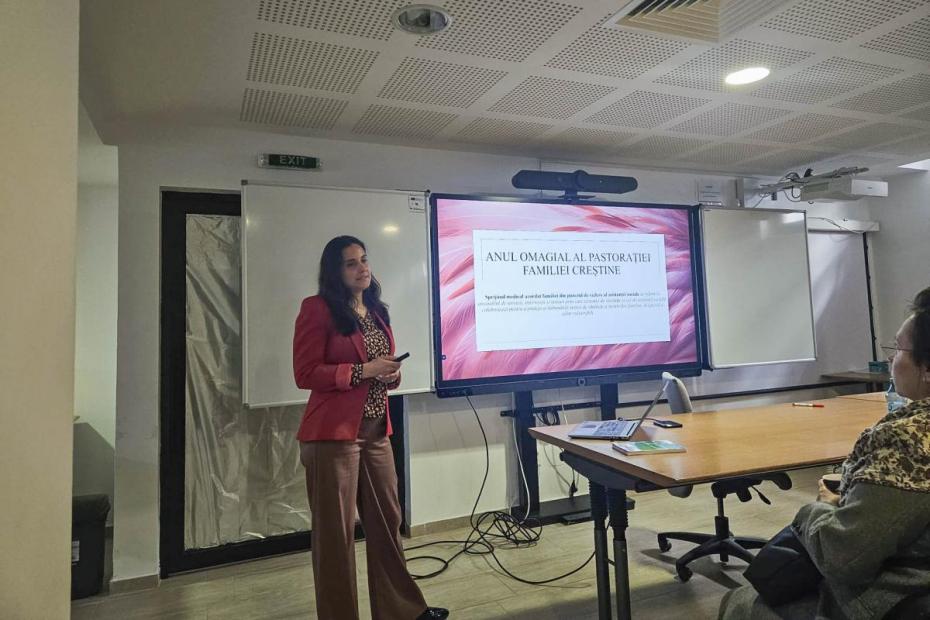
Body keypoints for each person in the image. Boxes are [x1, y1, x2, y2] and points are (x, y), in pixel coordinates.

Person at [720, 287, 930, 619]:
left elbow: (843, 558)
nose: (891, 359)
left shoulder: (908, 442)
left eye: (898, 348)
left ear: (927, 368)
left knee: (741, 603)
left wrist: (819, 508)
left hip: (897, 600)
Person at [293, 235, 448, 620]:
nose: (363, 268)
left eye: (364, 259)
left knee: (387, 523)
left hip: (377, 431)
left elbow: (380, 367)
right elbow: (305, 373)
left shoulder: (376, 310)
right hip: (333, 436)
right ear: (335, 271)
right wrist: (363, 370)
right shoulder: (317, 309)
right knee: (336, 535)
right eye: (351, 263)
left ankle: (403, 611)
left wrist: (390, 374)